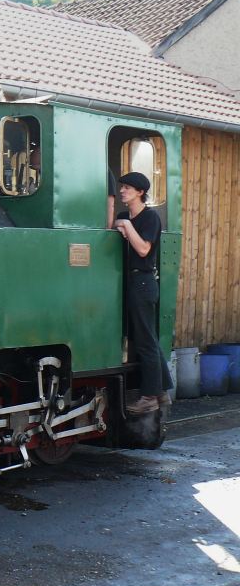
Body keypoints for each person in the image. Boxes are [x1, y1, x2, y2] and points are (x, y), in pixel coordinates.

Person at [107, 171, 173, 414]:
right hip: (131, 281)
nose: (123, 190)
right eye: (122, 187)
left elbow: (144, 249)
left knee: (145, 341)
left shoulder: (150, 218)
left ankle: (149, 397)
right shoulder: (125, 215)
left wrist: (125, 225)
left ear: (140, 192)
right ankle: (162, 390)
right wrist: (120, 221)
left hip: (143, 282)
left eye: (127, 188)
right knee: (145, 338)